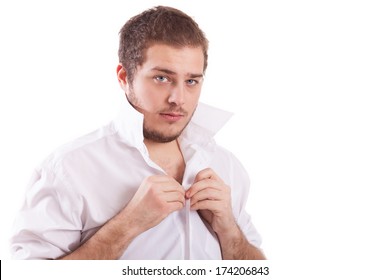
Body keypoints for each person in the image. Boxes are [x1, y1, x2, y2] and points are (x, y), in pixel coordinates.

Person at [10, 6, 266, 260]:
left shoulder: (227, 167)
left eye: (191, 81)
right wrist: (126, 225)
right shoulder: (69, 169)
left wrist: (229, 231)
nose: (179, 99)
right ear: (124, 77)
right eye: (162, 78)